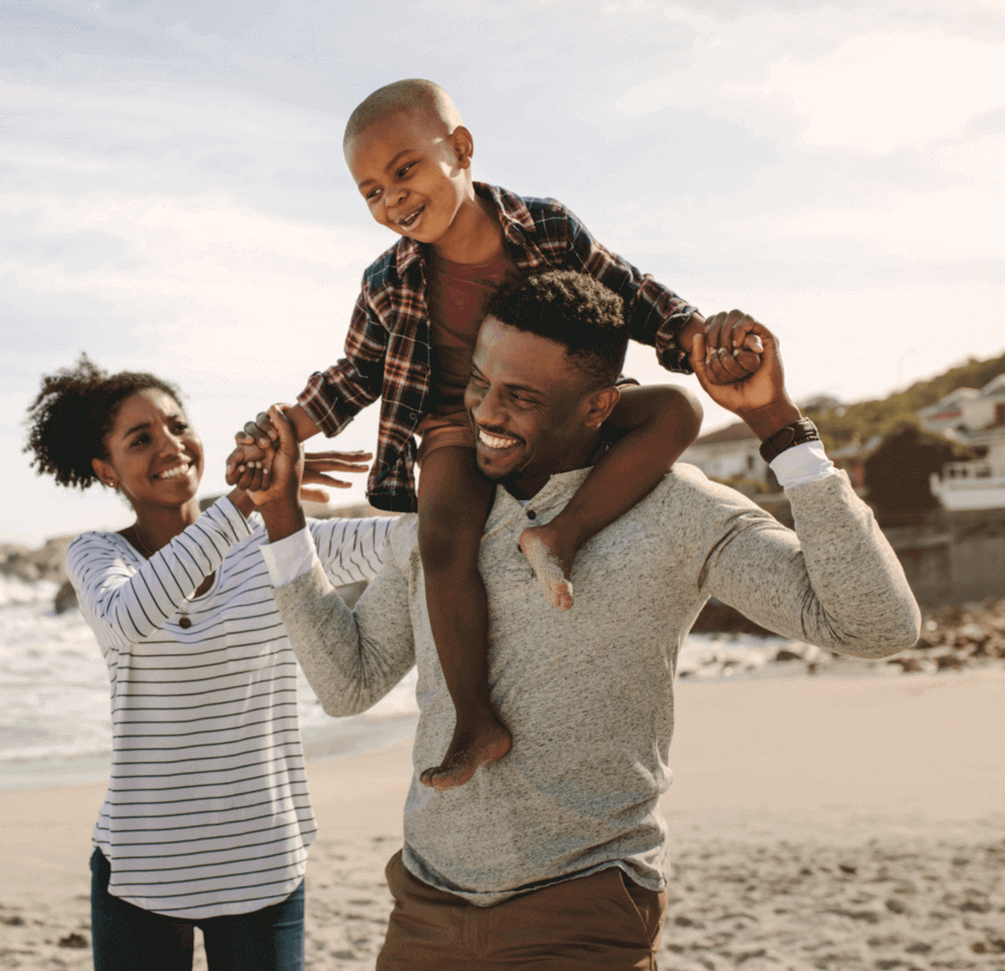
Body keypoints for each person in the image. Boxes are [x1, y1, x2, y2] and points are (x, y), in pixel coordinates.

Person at [245, 272, 921, 971]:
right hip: (426, 912)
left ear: (600, 405)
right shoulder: (445, 520)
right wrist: (283, 518)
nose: (486, 413)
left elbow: (876, 624)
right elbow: (348, 684)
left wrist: (777, 424)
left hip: (583, 917)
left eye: (522, 398)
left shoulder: (677, 512)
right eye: (479, 383)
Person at [231, 78, 761, 791]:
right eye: (370, 193)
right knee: (442, 534)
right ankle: (475, 720)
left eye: (404, 171)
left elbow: (634, 294)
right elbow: (354, 374)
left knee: (677, 413)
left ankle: (561, 534)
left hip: (558, 412)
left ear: (460, 149)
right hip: (458, 424)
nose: (392, 201)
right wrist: (286, 424)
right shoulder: (387, 280)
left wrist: (697, 335)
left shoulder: (546, 228)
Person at [23, 356, 392, 971]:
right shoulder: (97, 555)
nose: (170, 445)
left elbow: (410, 543)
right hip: (141, 869)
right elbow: (129, 616)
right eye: (141, 439)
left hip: (263, 863)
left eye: (176, 425)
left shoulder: (276, 541)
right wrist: (246, 502)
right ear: (106, 471)